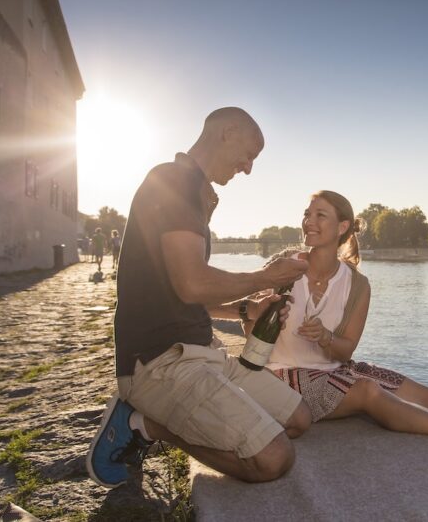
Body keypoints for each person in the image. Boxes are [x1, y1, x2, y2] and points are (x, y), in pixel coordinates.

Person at [86, 107, 311, 489]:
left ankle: (164, 419)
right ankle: (144, 425)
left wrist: (246, 307)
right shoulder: (173, 181)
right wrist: (268, 276)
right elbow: (193, 284)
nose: (249, 168)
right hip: (160, 361)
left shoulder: (196, 192)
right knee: (273, 459)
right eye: (250, 154)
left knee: (298, 419)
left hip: (205, 352)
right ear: (227, 132)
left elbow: (186, 294)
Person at [265, 191, 428, 449]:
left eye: (320, 215)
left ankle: (416, 430)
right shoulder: (283, 266)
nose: (308, 222)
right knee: (368, 391)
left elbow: (346, 349)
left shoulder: (357, 284)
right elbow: (250, 317)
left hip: (334, 369)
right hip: (284, 375)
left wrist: (325, 337)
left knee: (425, 397)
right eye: (306, 214)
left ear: (342, 226)